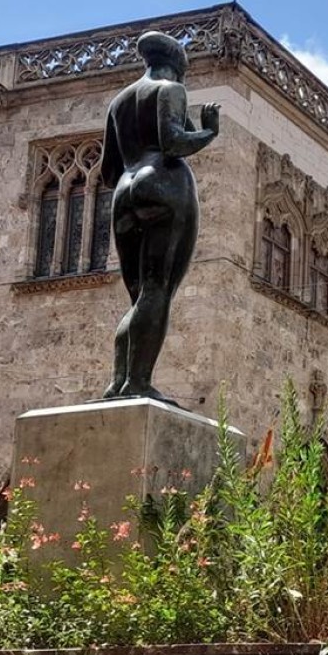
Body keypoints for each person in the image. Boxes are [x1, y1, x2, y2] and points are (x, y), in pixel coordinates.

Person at [101, 31, 220, 403]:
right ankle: (138, 383)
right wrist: (209, 131)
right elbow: (173, 142)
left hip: (124, 189)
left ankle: (118, 382)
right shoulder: (170, 89)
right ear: (179, 65)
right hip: (165, 186)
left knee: (138, 297)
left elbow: (108, 171)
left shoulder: (118, 102)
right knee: (158, 290)